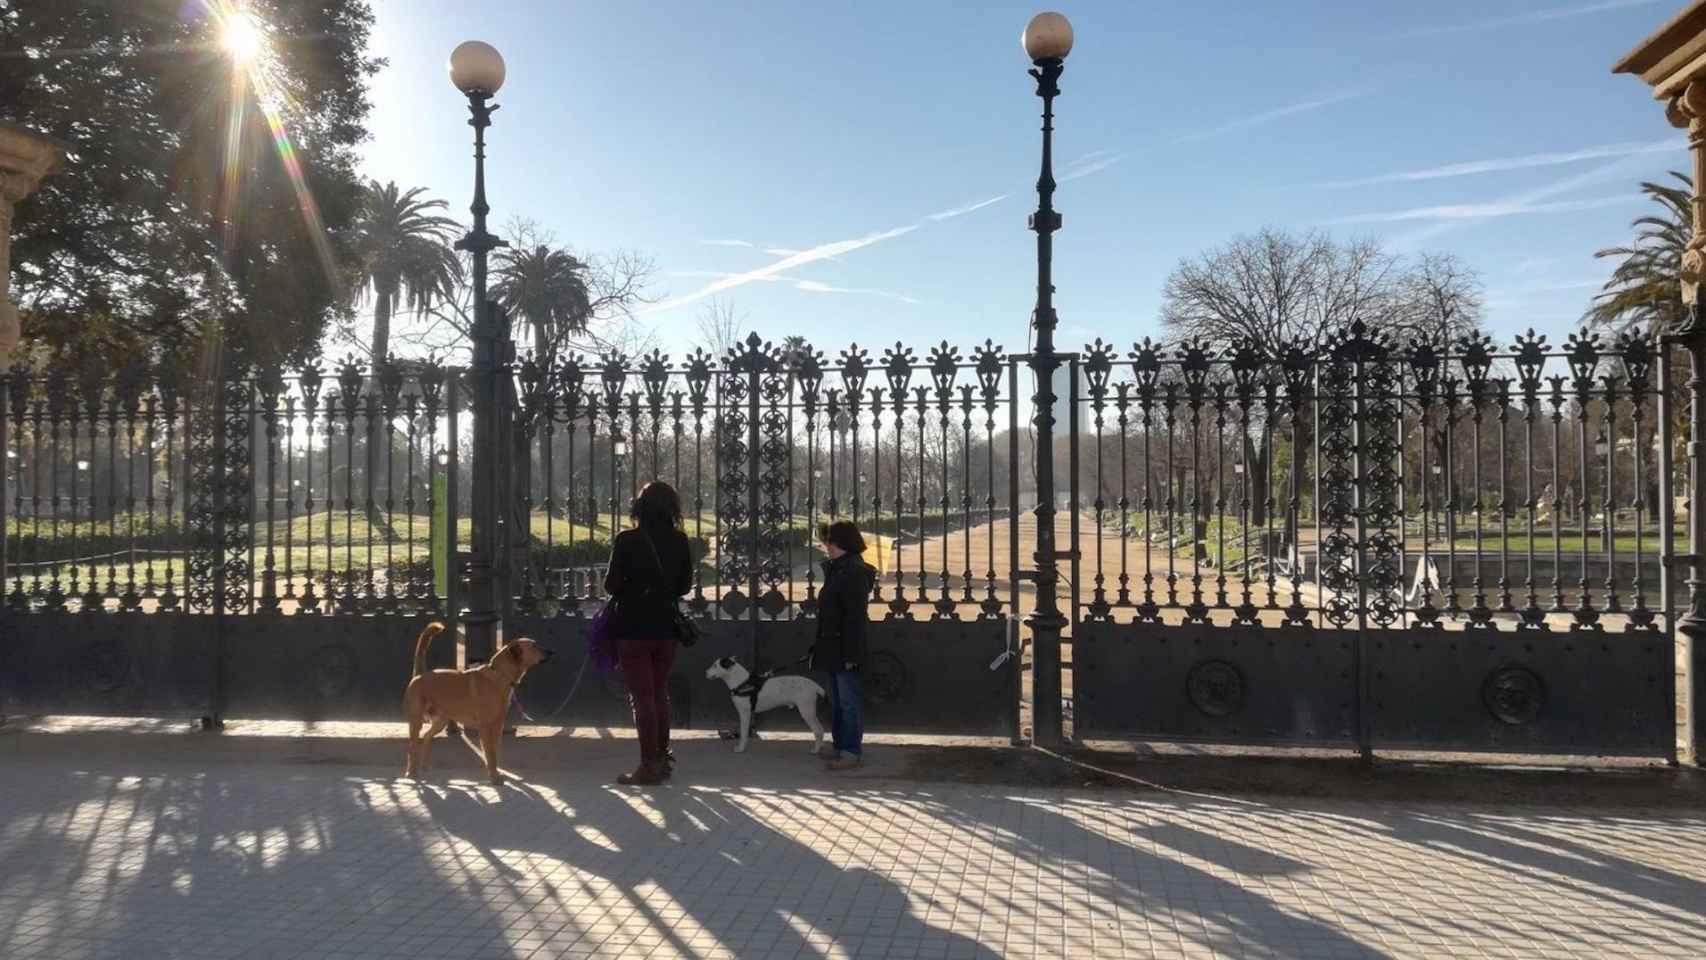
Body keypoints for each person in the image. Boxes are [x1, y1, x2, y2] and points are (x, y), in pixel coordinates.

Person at [603, 480, 694, 785]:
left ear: (639, 506)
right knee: (659, 693)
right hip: (666, 627)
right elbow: (684, 586)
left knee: (642, 697)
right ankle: (663, 758)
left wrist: (635, 588)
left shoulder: (628, 539)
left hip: (633, 628)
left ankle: (648, 764)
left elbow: (611, 585)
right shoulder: (680, 540)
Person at [812, 520, 876, 770]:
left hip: (845, 647)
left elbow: (854, 617)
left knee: (849, 701)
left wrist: (852, 653)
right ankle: (840, 746)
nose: (826, 546)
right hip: (832, 644)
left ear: (841, 543)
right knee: (838, 700)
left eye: (829, 541)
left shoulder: (853, 572)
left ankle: (851, 751)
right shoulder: (839, 569)